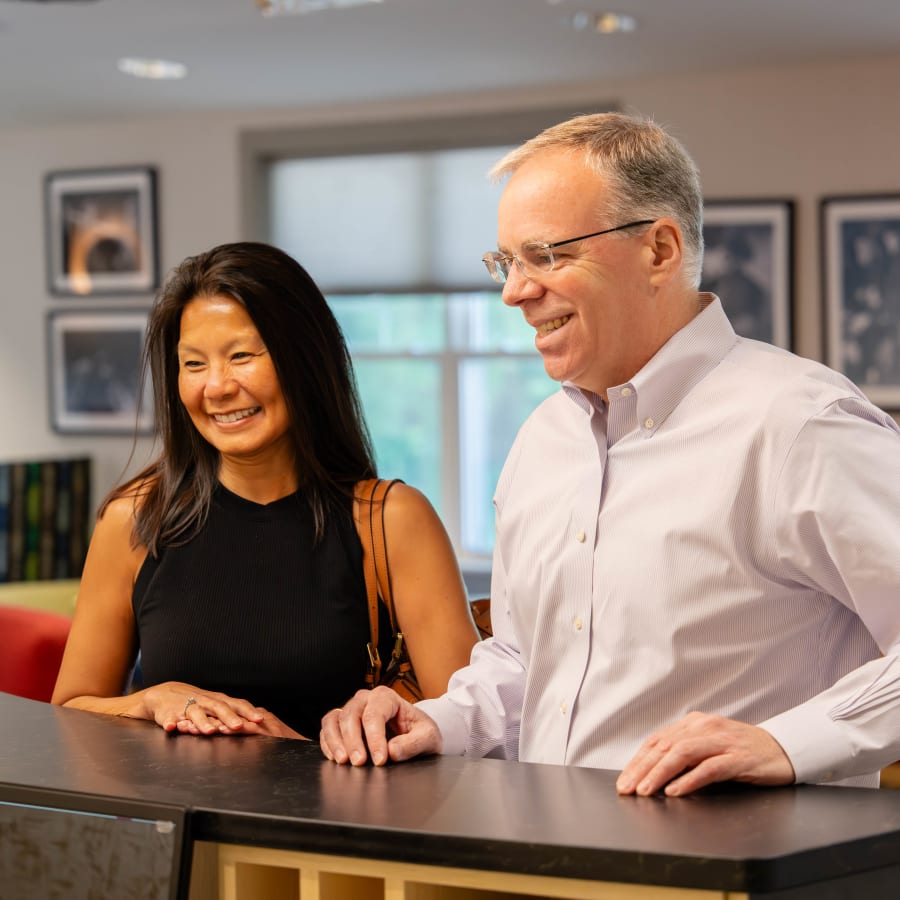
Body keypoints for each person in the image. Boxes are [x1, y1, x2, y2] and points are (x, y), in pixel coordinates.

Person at [320, 112, 900, 796]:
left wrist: (783, 743)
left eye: (547, 255)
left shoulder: (798, 424)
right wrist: (438, 722)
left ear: (660, 250)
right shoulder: (541, 441)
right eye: (506, 263)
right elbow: (523, 663)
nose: (513, 291)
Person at [52, 241, 479, 740]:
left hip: (340, 815)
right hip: (178, 818)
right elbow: (69, 713)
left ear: (305, 359)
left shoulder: (393, 520)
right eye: (193, 364)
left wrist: (300, 755)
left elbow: (469, 728)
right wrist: (149, 700)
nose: (216, 387)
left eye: (241, 356)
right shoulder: (134, 520)